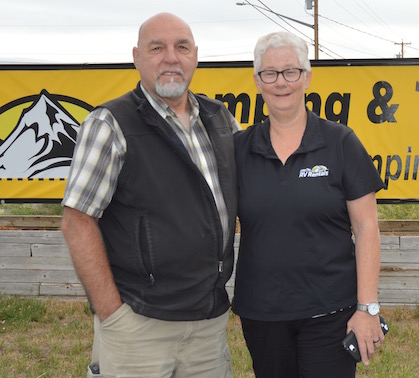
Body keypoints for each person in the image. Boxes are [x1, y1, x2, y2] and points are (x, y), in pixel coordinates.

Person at [60, 12, 239, 377]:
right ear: (136, 57)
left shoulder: (222, 121)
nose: (171, 57)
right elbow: (77, 221)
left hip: (208, 324)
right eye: (156, 47)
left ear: (196, 56)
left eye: (181, 47)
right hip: (138, 327)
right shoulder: (110, 124)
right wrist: (112, 314)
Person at [232, 31, 386, 377]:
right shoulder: (239, 149)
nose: (281, 82)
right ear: (257, 81)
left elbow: (366, 228)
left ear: (307, 77)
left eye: (291, 71)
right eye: (269, 73)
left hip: (331, 313)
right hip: (263, 314)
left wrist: (367, 308)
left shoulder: (340, 142)